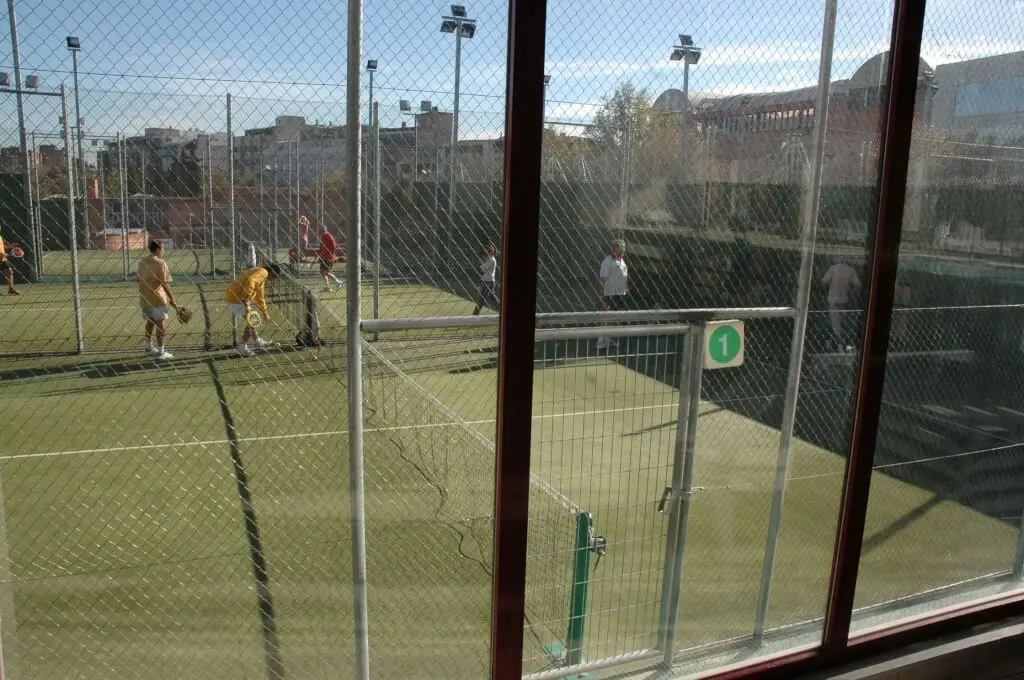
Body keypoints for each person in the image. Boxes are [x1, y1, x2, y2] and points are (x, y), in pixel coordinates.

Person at [225, 263, 282, 357]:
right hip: (238, 298)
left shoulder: (262, 278)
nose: (275, 279)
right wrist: (246, 298)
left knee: (252, 321)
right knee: (252, 321)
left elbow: (260, 297)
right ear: (272, 272)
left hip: (238, 298)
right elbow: (251, 280)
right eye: (276, 276)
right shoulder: (263, 272)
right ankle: (242, 346)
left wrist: (264, 312)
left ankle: (258, 341)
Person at [137, 239, 179, 360]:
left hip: (145, 297)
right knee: (161, 324)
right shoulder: (161, 263)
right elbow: (165, 284)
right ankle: (161, 351)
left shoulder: (142, 262)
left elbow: (139, 279)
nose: (163, 251)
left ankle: (149, 347)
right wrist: (173, 299)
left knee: (150, 322)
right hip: (157, 298)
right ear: (158, 249)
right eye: (163, 249)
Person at [822, 260, 861, 353]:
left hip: (833, 300)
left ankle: (839, 347)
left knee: (836, 324)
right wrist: (850, 292)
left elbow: (824, 281)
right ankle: (844, 345)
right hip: (844, 301)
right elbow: (857, 284)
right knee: (843, 324)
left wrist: (829, 288)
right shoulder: (850, 270)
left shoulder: (833, 269)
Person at [597, 239, 629, 350]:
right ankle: (601, 342)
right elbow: (602, 279)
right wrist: (601, 296)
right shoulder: (608, 261)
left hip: (620, 294)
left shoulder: (622, 261)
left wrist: (626, 287)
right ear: (615, 248)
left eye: (624, 246)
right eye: (622, 246)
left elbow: (622, 276)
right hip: (609, 294)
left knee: (615, 318)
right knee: (607, 317)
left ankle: (609, 339)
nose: (624, 248)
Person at [472, 244, 500, 315]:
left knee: (482, 298)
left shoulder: (492, 260)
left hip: (489, 282)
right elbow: (484, 268)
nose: (485, 252)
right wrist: (483, 263)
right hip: (485, 281)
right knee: (490, 298)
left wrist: (481, 263)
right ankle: (501, 309)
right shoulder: (489, 259)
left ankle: (475, 313)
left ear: (489, 252)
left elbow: (484, 269)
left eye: (486, 251)